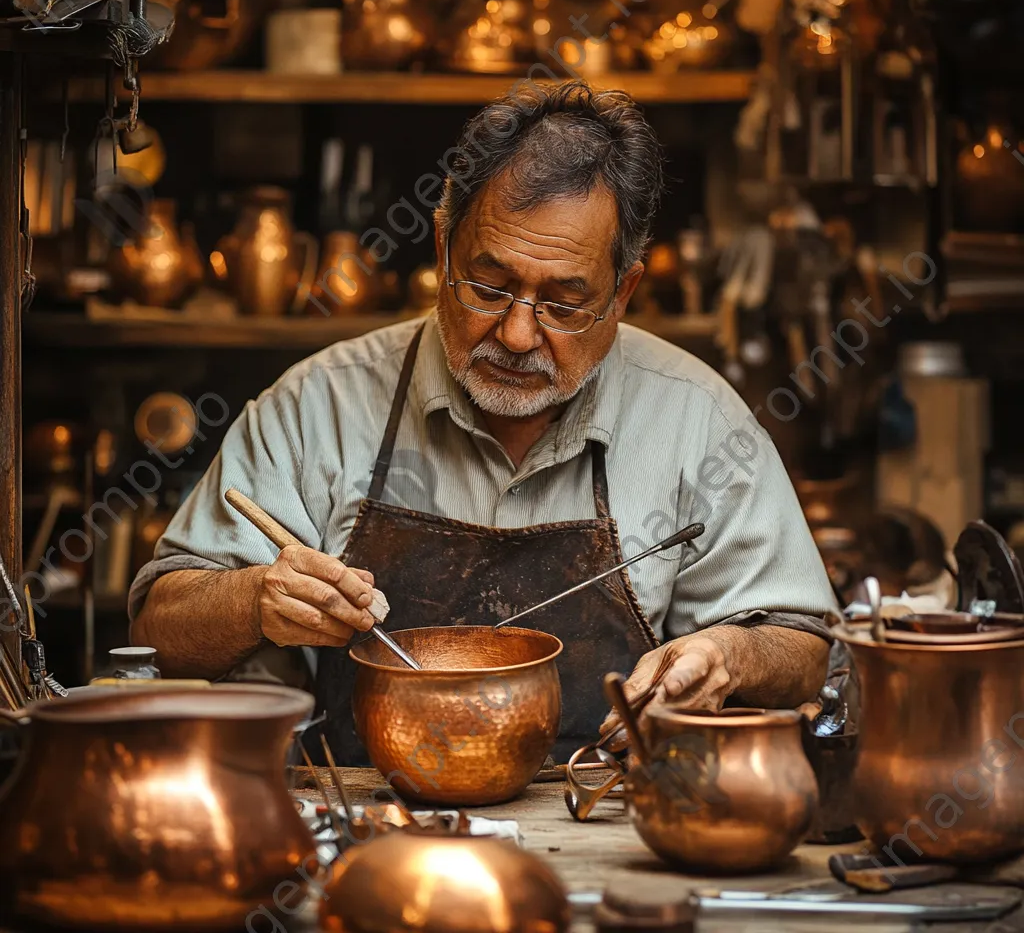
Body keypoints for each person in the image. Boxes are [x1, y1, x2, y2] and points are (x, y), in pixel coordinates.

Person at [130, 80, 835, 762]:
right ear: (441, 250)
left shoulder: (699, 420)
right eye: (489, 286)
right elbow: (159, 629)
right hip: (373, 827)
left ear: (623, 291)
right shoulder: (319, 405)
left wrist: (731, 654)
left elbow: (806, 649)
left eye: (564, 302)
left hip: (612, 825)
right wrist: (254, 599)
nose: (520, 335)